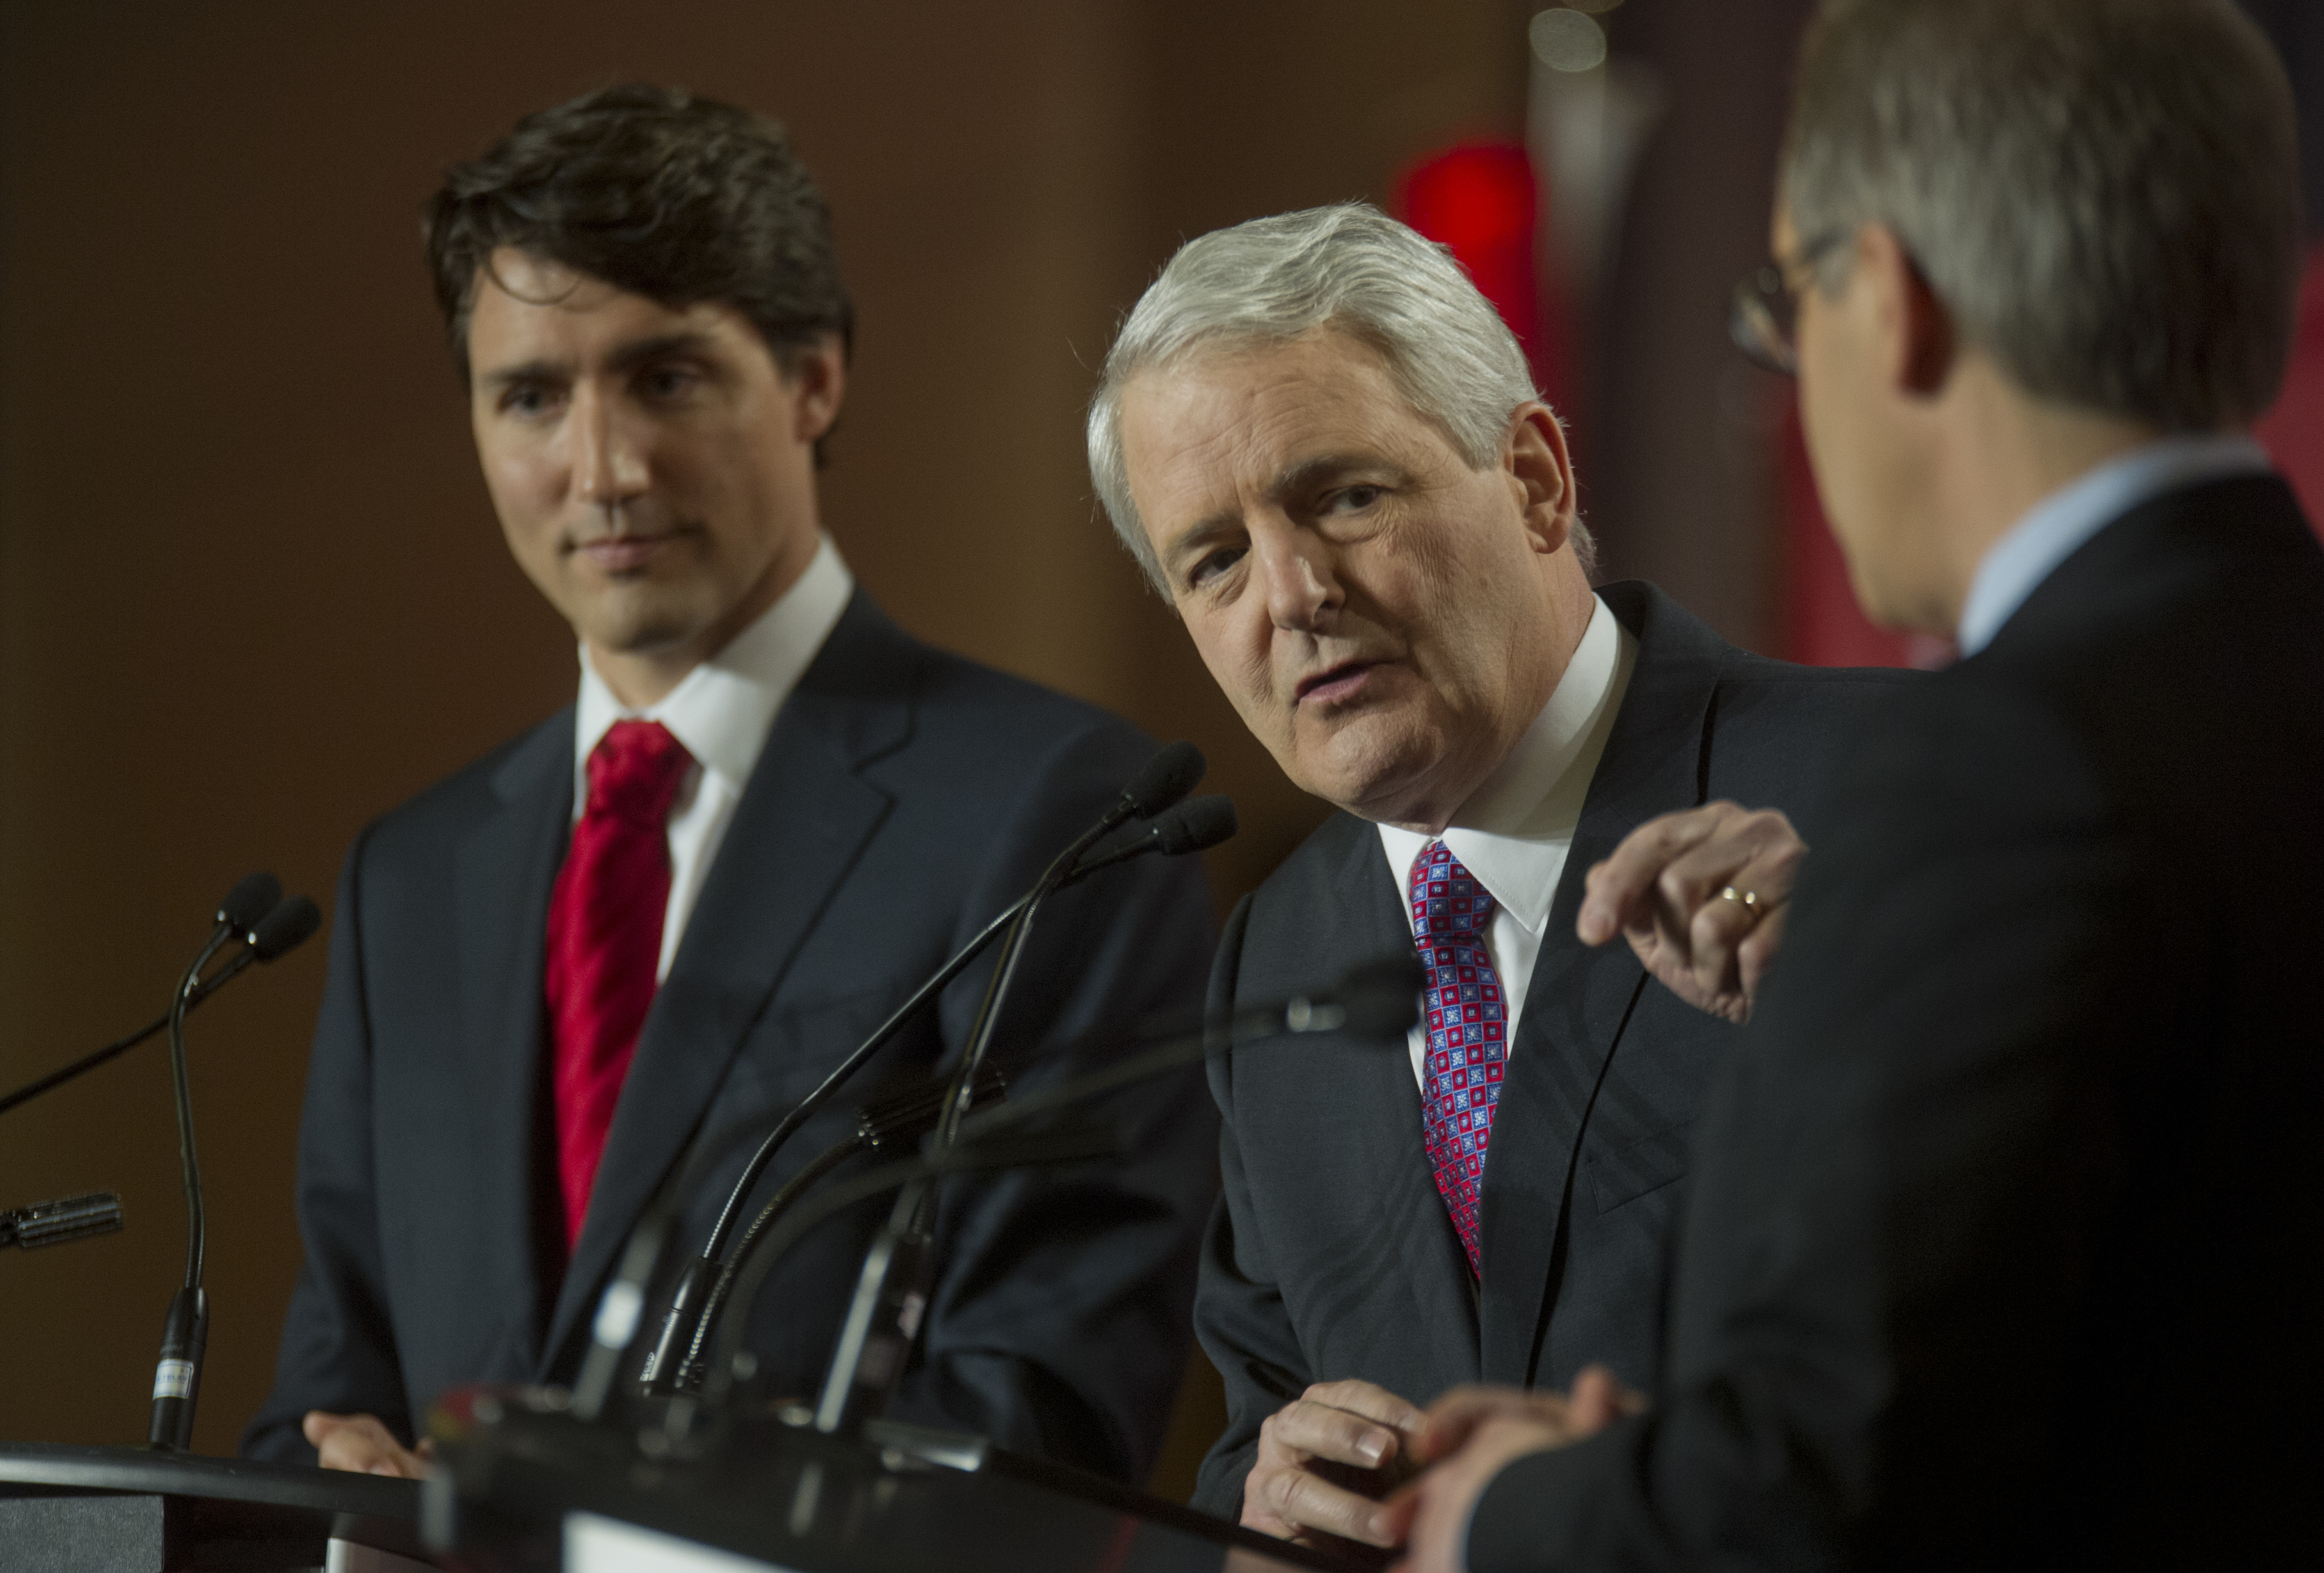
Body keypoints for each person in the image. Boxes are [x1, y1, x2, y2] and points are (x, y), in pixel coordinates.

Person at [1389, 1, 2324, 1567]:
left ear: (1886, 303)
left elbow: (1815, 1493)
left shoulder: (1990, 768)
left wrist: (1504, 1510)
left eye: (1785, 300)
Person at [239, 85, 1220, 1485]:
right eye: (531, 397)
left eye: (666, 378)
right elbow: (324, 1406)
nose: (603, 469)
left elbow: (1034, 1426)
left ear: (813, 378)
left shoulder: (1062, 818)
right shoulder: (410, 874)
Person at [1085, 202, 1913, 1550]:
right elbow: (1262, 1419)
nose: (1288, 595)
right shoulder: (1276, 959)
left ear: (1532, 478)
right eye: (1215, 560)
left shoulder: (1886, 790)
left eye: (1343, 497)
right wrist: (1262, 1516)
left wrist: (1858, 1001)